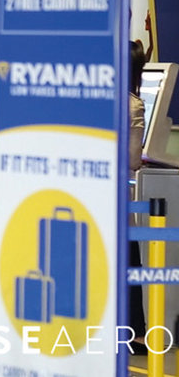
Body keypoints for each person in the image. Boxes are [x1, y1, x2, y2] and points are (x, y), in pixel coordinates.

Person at [128, 40, 147, 351]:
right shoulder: (134, 105)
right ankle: (136, 333)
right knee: (130, 258)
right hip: (115, 194)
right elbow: (133, 160)